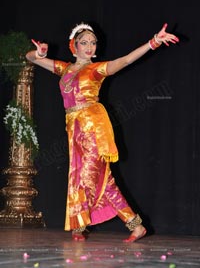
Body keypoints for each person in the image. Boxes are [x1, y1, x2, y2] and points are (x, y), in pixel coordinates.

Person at [26, 22, 179, 242]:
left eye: (93, 42)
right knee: (88, 177)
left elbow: (125, 60)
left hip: (93, 127)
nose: (89, 46)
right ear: (74, 46)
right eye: (84, 42)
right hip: (74, 129)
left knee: (89, 176)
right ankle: (127, 226)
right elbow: (30, 58)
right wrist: (38, 53)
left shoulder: (96, 70)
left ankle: (90, 226)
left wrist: (153, 42)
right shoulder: (65, 68)